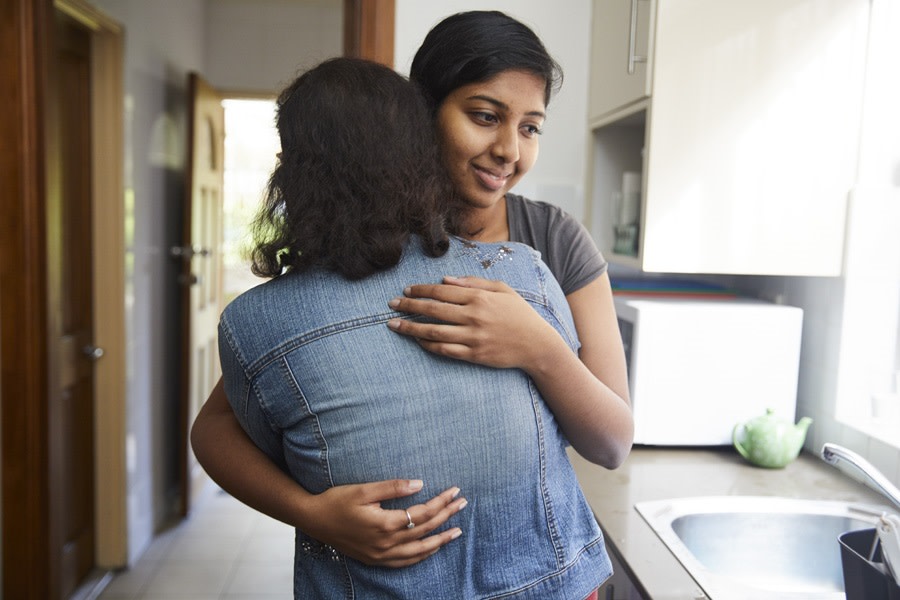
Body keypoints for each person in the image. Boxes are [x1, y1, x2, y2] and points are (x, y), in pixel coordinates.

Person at [191, 9, 632, 577]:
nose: (508, 150)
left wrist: (537, 347)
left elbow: (613, 443)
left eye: (530, 127)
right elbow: (215, 427)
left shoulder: (552, 243)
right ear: (422, 113)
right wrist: (312, 513)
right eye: (483, 116)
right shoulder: (357, 236)